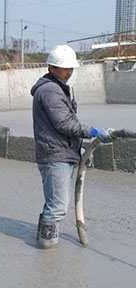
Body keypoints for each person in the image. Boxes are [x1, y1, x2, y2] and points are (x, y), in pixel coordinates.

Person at [30, 45, 113, 249]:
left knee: (54, 204)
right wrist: (93, 132)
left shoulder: (57, 88)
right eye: (64, 68)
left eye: (71, 68)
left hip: (62, 153)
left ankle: (45, 243)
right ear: (51, 68)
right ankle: (46, 249)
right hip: (54, 156)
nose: (69, 72)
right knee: (57, 207)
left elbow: (62, 126)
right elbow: (64, 123)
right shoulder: (50, 90)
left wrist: (80, 150)